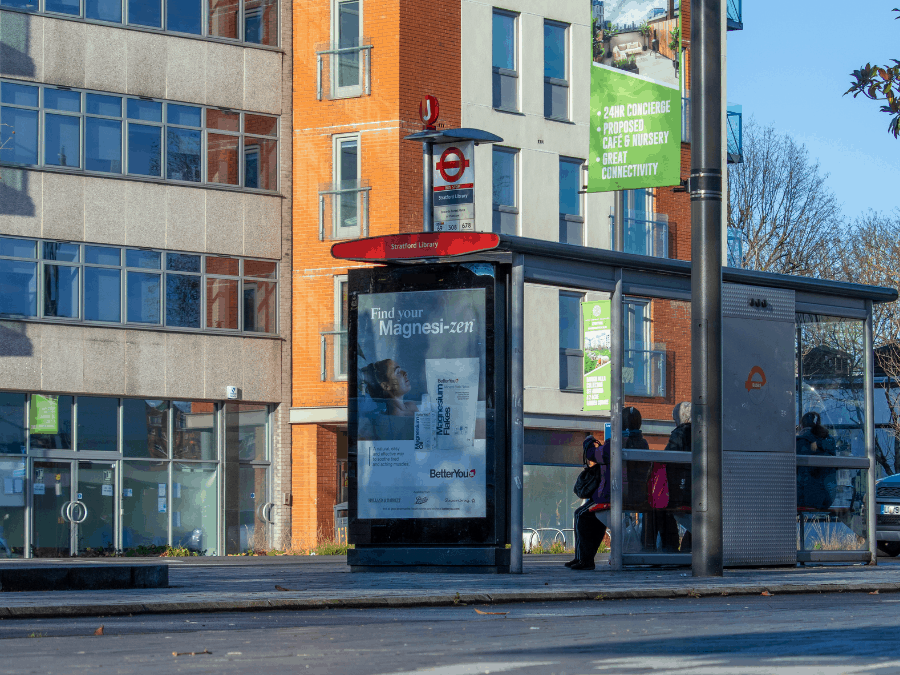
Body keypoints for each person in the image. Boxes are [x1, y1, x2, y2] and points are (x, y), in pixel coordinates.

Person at [567, 406, 649, 570]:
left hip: (612, 495)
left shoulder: (616, 442)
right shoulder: (643, 443)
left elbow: (594, 455)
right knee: (594, 517)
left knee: (581, 514)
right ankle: (585, 559)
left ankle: (584, 559)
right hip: (637, 496)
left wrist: (588, 442)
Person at [359, 359, 419, 440]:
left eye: (401, 370)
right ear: (386, 386)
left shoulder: (411, 406)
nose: (405, 373)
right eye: (398, 372)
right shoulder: (392, 419)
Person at [796, 411, 837, 510]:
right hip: (827, 498)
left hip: (802, 498)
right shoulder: (829, 441)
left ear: (801, 425)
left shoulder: (798, 442)